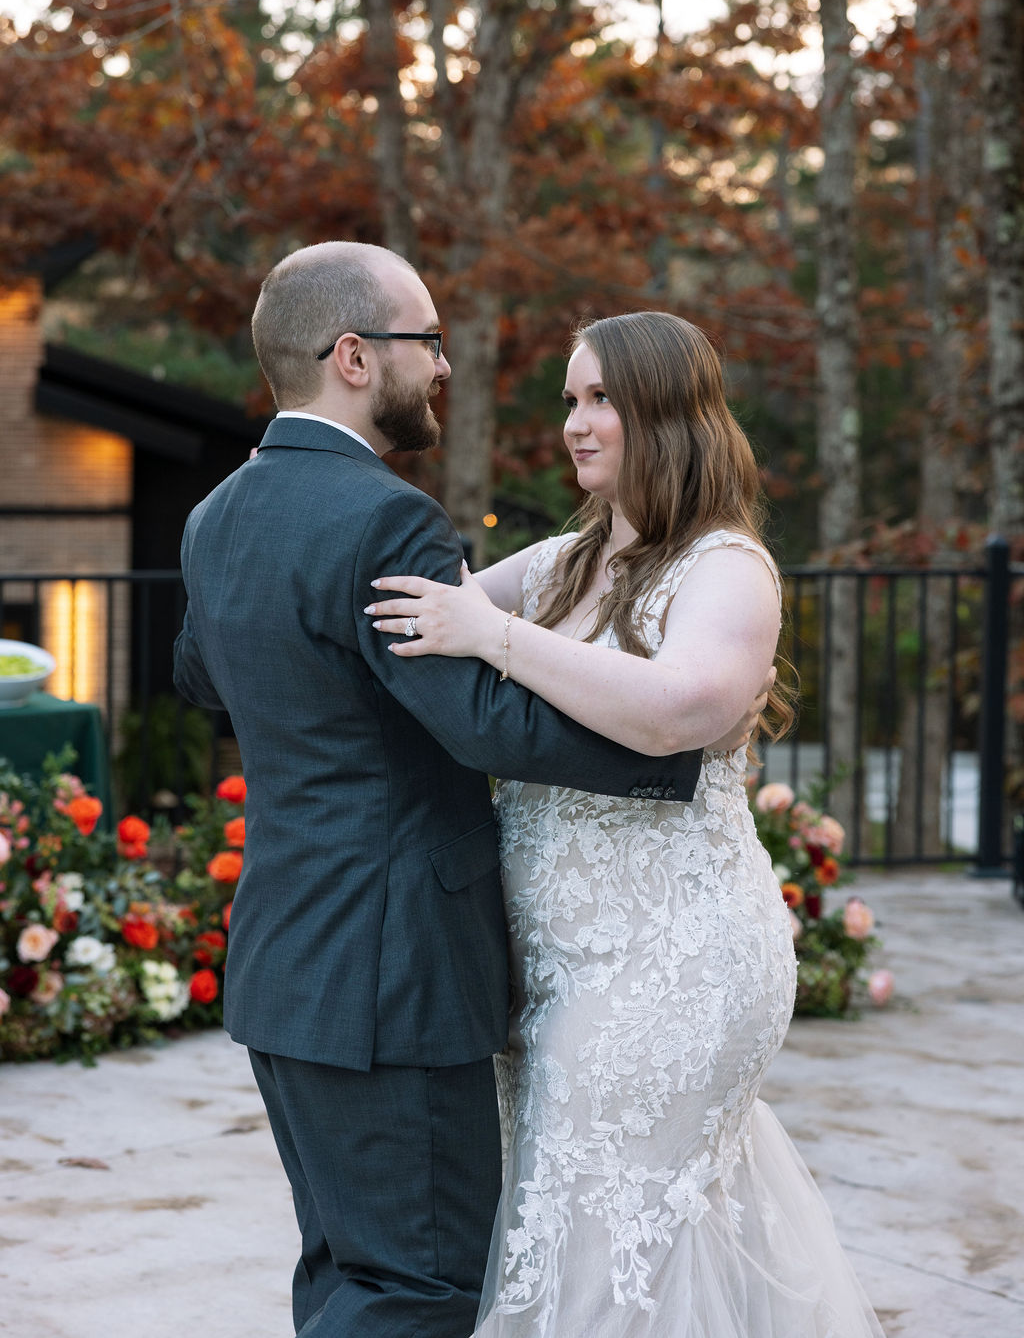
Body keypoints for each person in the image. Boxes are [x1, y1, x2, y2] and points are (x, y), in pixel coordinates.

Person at [172, 245, 767, 1338]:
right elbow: (477, 719)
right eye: (426, 341)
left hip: (286, 961)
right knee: (420, 1289)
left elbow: (202, 675)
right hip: (393, 973)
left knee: (345, 1267)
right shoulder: (380, 518)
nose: (442, 366)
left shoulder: (218, 515)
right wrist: (684, 750)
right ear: (354, 355)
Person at [365, 310, 886, 1337]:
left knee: (601, 1232)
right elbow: (421, 613)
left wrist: (497, 635)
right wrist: (293, 490)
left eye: (602, 398)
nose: (577, 422)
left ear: (670, 414)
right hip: (555, 966)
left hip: (674, 963)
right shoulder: (561, 559)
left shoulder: (726, 566)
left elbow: (678, 708)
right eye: (570, 399)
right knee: (600, 1220)